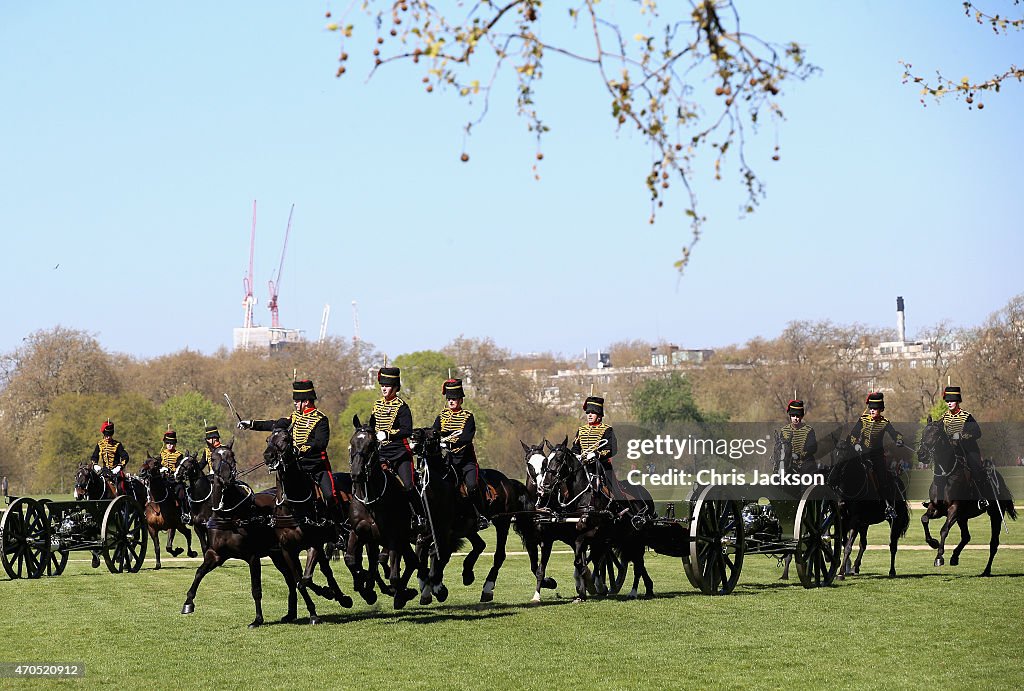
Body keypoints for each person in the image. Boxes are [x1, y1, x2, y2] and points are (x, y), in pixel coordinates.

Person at [238, 380, 336, 521]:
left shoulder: (321, 419)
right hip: (298, 466)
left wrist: (299, 449)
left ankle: (338, 528)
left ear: (306, 402)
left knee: (329, 495)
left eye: (297, 401)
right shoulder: (295, 417)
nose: (295, 404)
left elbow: (320, 443)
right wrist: (251, 424)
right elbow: (274, 424)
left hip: (316, 466)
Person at [368, 367, 425, 528]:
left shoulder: (402, 406)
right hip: (381, 453)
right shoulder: (377, 405)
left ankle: (419, 516)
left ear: (395, 388)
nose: (384, 388)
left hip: (400, 453)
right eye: (382, 385)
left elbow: (407, 430)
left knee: (408, 485)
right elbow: (372, 427)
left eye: (387, 386)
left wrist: (388, 434)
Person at [431, 378, 489, 530]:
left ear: (461, 400)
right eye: (449, 398)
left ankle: (480, 515)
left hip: (466, 461)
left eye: (454, 398)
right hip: (448, 461)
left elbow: (466, 437)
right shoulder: (441, 416)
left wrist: (449, 443)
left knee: (472, 486)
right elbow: (433, 432)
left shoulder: (468, 417)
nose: (451, 401)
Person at [848, 392, 904, 519]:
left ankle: (887, 506)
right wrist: (856, 444)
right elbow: (853, 435)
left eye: (875, 409)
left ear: (881, 410)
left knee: (882, 479)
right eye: (871, 408)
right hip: (861, 454)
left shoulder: (885, 422)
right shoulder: (862, 420)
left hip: (877, 456)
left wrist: (899, 440)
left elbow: (895, 434)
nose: (872, 411)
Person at [941, 385, 994, 504]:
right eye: (947, 401)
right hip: (953, 451)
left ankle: (982, 497)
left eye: (952, 401)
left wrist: (963, 435)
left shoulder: (966, 416)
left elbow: (977, 432)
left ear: (958, 401)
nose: (949, 403)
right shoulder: (944, 417)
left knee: (976, 470)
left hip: (969, 449)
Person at [571, 396, 623, 500]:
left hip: (601, 466)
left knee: (616, 492)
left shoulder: (607, 430)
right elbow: (576, 447)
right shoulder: (581, 430)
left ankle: (621, 507)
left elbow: (612, 448)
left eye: (592, 413)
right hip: (583, 466)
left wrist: (597, 454)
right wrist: (576, 455)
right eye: (588, 413)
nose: (589, 415)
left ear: (599, 416)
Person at [90, 420, 129, 494]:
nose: (108, 437)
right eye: (106, 435)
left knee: (121, 487)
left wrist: (119, 467)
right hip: (104, 470)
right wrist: (95, 465)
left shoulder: (117, 444)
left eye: (109, 435)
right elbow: (94, 457)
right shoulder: (100, 444)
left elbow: (125, 457)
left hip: (115, 471)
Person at [160, 428, 190, 523]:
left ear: (175, 444)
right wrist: (161, 469)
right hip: (163, 479)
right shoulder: (162, 453)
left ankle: (184, 512)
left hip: (174, 479)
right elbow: (158, 464)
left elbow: (178, 467)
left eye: (172, 443)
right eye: (168, 443)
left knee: (181, 492)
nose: (170, 445)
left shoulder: (178, 455)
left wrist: (170, 470)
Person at [780, 400, 817, 475]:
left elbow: (812, 448)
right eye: (793, 416)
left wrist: (799, 455)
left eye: (798, 416)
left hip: (805, 464)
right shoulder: (784, 431)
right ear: (790, 416)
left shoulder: (809, 430)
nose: (795, 418)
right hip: (787, 464)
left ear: (801, 416)